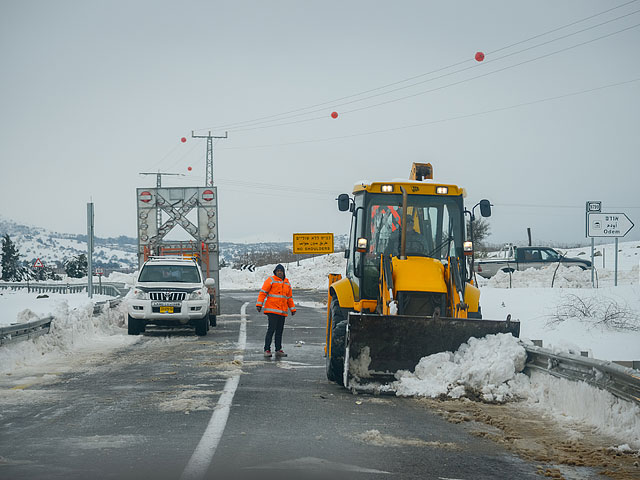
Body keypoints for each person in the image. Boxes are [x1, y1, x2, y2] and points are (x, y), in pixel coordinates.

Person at [256, 264, 296, 358]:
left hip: (282, 312)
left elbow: (289, 298)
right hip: (272, 310)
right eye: (278, 271)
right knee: (271, 330)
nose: (279, 272)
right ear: (275, 272)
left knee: (279, 331)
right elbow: (263, 293)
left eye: (281, 271)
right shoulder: (271, 280)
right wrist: (259, 304)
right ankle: (267, 349)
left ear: (283, 272)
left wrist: (292, 309)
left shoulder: (286, 283)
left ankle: (278, 349)